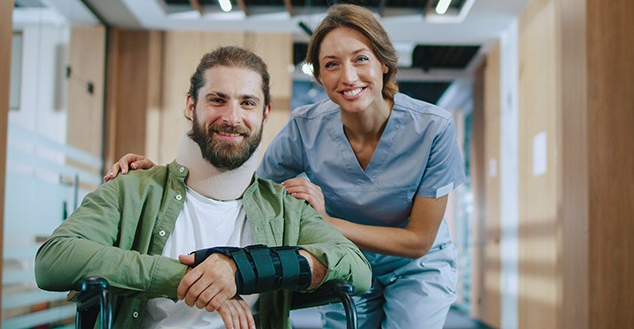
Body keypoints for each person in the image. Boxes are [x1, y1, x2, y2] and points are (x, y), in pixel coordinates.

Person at [105, 4, 466, 329]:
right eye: (331, 65)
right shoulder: (305, 127)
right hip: (342, 259)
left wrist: (327, 224)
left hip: (416, 267)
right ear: (320, 77)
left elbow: (419, 241)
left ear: (383, 63)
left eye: (361, 59)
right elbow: (247, 186)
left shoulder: (433, 127)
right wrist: (165, 176)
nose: (348, 77)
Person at [35, 46, 372, 329]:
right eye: (217, 99)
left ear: (266, 113)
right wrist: (185, 278)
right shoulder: (132, 190)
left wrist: (240, 270)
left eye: (247, 103)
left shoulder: (285, 207)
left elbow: (357, 269)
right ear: (191, 105)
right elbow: (53, 260)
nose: (232, 116)